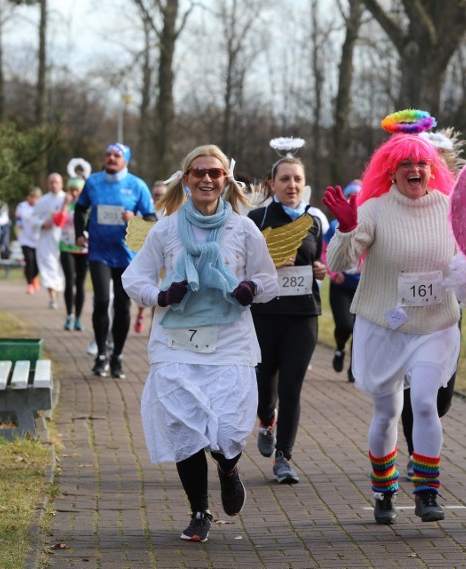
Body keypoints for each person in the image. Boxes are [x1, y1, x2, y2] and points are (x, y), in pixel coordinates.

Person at [123, 144, 278, 543]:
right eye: (198, 173)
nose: (207, 179)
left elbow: (269, 279)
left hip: (229, 342)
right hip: (176, 341)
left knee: (227, 430)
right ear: (186, 179)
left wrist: (249, 288)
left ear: (226, 179)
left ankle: (228, 469)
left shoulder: (243, 229)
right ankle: (198, 511)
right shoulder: (166, 228)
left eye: (215, 173)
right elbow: (133, 278)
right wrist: (160, 295)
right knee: (184, 427)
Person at [324, 109, 460, 525]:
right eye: (405, 164)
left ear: (432, 168)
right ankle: (384, 491)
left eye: (422, 162)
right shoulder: (375, 209)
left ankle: (426, 492)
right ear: (391, 171)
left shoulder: (449, 207)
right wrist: (347, 229)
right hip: (384, 323)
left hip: (434, 323)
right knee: (385, 411)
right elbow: (339, 262)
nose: (415, 169)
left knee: (424, 403)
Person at [247, 142, 326, 484]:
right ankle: (267, 420)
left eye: (297, 179)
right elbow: (242, 265)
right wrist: (271, 264)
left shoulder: (313, 219)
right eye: (285, 180)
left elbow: (318, 259)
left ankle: (284, 458)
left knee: (292, 386)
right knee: (265, 385)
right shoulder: (257, 219)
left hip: (303, 313)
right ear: (272, 184)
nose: (291, 185)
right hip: (265, 313)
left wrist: (320, 269)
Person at [399, 127, 466, 479]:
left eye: (430, 161)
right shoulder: (398, 198)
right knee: (413, 388)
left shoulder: (456, 199)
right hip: (406, 311)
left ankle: (427, 433)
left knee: (441, 395)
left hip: (446, 306)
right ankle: (416, 453)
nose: (421, 169)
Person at [74, 143, 155, 379]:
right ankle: (101, 354)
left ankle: (117, 355)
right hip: (98, 252)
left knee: (122, 307)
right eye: (108, 154)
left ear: (126, 161)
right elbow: (80, 209)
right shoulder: (93, 182)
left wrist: (135, 218)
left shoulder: (137, 185)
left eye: (116, 155)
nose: (111, 158)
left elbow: (150, 217)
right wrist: (80, 232)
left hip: (126, 255)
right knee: (100, 301)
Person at [323, 180, 361, 383]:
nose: (353, 200)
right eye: (350, 196)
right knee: (345, 326)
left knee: (360, 330)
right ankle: (339, 348)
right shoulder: (333, 225)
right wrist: (331, 271)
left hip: (362, 286)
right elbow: (324, 250)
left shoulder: (370, 221)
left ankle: (354, 368)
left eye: (358, 196)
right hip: (340, 286)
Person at [134, 181, 167, 334]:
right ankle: (140, 315)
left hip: (164, 262)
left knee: (158, 295)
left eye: (161, 195)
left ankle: (153, 328)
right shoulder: (145, 211)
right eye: (156, 195)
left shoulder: (172, 211)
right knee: (144, 292)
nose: (158, 198)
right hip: (147, 259)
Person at [56, 177, 89, 331]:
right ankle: (69, 315)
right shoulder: (64, 204)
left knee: (80, 284)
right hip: (66, 247)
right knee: (69, 281)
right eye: (72, 190)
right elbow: (58, 222)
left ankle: (78, 318)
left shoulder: (87, 205)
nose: (74, 193)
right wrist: (64, 204)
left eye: (77, 190)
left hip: (83, 249)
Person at [33, 173, 67, 310]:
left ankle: (58, 292)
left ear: (61, 184)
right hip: (46, 240)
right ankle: (52, 297)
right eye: (51, 182)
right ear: (48, 184)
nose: (54, 185)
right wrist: (42, 223)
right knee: (48, 267)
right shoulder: (42, 201)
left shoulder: (67, 199)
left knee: (61, 269)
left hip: (64, 239)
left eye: (56, 182)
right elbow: (31, 218)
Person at [15, 187, 42, 294]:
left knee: (37, 263)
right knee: (29, 261)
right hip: (25, 239)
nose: (33, 199)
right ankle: (30, 283)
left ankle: (35, 278)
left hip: (38, 240)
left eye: (35, 197)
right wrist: (20, 226)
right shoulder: (22, 206)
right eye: (31, 196)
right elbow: (18, 220)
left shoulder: (41, 207)